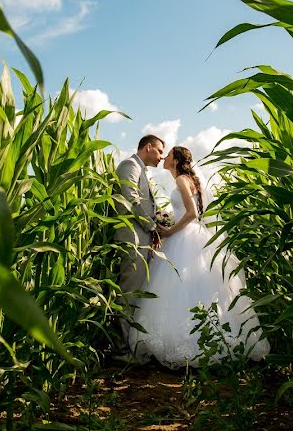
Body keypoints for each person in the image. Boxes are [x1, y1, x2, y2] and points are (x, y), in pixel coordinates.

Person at [128, 146, 270, 368]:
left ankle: (187, 345)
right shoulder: (188, 179)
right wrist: (168, 218)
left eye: (168, 155)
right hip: (194, 235)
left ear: (176, 160)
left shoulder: (182, 180)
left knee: (177, 289)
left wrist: (169, 231)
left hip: (184, 236)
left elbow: (192, 213)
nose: (164, 158)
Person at [114, 134, 165, 352]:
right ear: (148, 147)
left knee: (136, 293)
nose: (161, 157)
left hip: (140, 239)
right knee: (129, 293)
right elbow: (131, 198)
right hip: (132, 238)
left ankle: (130, 345)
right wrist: (152, 226)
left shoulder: (141, 169)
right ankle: (122, 349)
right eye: (160, 151)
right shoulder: (129, 165)